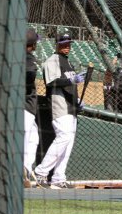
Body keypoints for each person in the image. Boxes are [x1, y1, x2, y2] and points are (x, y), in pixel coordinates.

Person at [33, 33, 84, 189]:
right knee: (64, 137)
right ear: (57, 44)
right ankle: (41, 173)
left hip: (71, 106)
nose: (67, 46)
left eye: (69, 43)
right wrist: (71, 80)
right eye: (64, 43)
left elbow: (71, 86)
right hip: (59, 105)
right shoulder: (52, 60)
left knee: (68, 143)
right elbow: (51, 82)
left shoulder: (67, 62)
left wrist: (77, 102)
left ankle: (58, 177)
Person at [23, 28, 40, 186]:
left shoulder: (13, 57)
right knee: (25, 138)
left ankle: (26, 168)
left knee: (33, 136)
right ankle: (20, 171)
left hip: (17, 105)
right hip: (25, 105)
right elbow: (30, 73)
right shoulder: (29, 58)